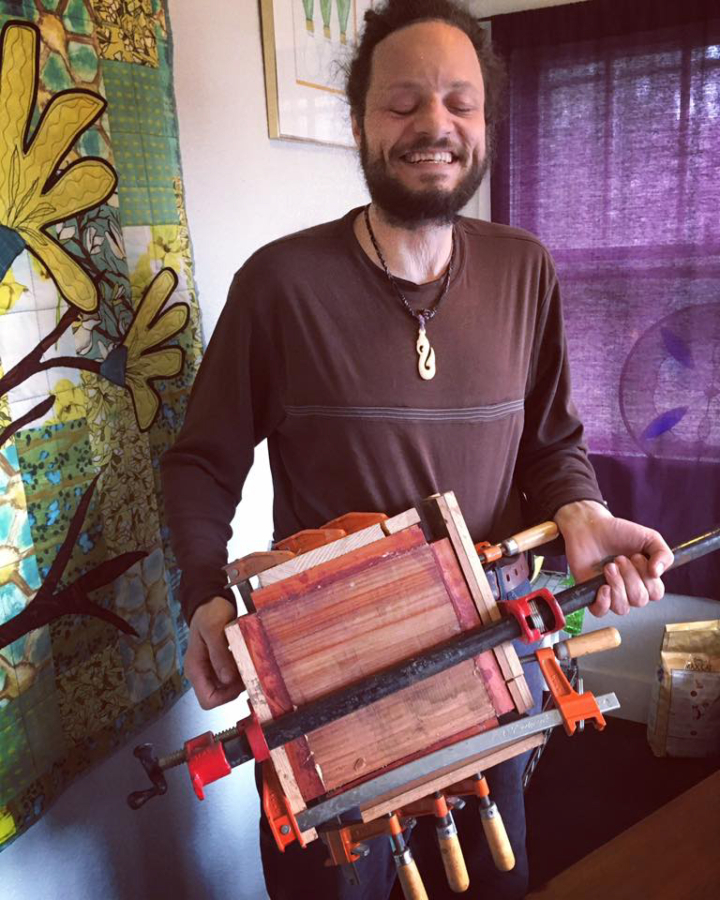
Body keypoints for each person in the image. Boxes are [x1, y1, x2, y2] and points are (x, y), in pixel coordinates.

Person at [161, 2, 673, 897]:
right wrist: (204, 594)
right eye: (402, 103)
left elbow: (551, 442)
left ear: (484, 121)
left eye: (458, 102)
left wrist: (582, 511)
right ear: (357, 121)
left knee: (490, 882)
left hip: (487, 669)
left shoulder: (525, 269)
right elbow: (201, 463)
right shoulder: (280, 285)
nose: (434, 124)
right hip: (327, 691)